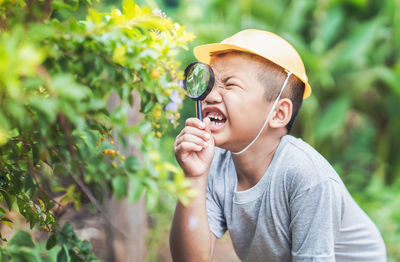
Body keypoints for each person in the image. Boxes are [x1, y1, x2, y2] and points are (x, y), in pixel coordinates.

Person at [170, 29, 386, 262]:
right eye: (209, 83)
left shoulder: (307, 176)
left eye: (230, 85)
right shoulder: (214, 163)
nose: (210, 96)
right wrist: (194, 177)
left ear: (279, 113)